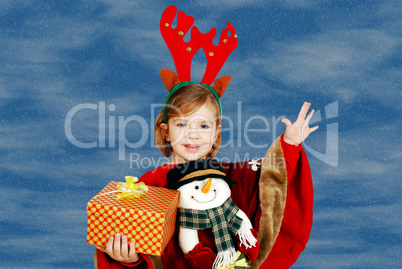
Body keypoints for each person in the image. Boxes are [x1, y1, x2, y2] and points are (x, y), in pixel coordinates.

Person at [95, 83, 318, 269]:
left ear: (215, 132)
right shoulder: (150, 186)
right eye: (181, 124)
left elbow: (271, 181)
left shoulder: (234, 175)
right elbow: (142, 247)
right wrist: (131, 259)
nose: (192, 133)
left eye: (203, 125)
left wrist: (290, 143)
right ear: (166, 131)